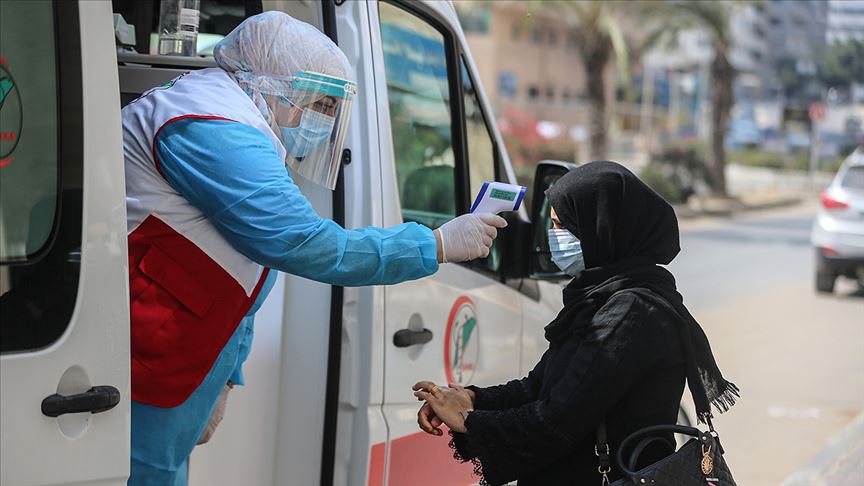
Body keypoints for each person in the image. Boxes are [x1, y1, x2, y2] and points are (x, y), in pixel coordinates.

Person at [122, 11, 506, 485]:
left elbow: (246, 269)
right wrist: (434, 243)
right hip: (147, 356)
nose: (322, 120)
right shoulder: (213, 128)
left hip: (172, 353)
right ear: (275, 81)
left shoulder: (239, 120)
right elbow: (306, 244)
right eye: (320, 104)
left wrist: (224, 375)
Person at [413, 161, 739, 486]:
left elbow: (558, 419)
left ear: (601, 228)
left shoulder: (633, 311)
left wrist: (468, 421)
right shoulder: (598, 300)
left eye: (561, 226)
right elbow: (538, 387)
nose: (554, 238)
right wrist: (470, 398)